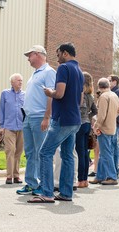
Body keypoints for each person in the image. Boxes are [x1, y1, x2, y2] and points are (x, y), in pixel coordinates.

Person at [28, 42, 83, 203]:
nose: (57, 58)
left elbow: (59, 93)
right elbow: (79, 100)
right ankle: (66, 193)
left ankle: (47, 193)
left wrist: (48, 92)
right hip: (75, 119)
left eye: (58, 54)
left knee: (44, 152)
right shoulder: (79, 72)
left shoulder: (64, 69)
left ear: (65, 53)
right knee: (67, 156)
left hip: (62, 119)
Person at [16, 45, 55, 195]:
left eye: (30, 55)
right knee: (30, 152)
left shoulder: (48, 72)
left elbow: (51, 96)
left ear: (38, 54)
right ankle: (31, 183)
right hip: (29, 118)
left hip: (40, 117)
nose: (28, 59)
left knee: (41, 152)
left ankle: (43, 184)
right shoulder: (34, 74)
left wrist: (46, 117)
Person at [89, 78, 119, 185]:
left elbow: (101, 115)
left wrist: (96, 126)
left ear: (99, 86)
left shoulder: (103, 97)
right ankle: (100, 176)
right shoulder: (114, 95)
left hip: (104, 128)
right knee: (106, 153)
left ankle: (112, 176)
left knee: (106, 153)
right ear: (108, 85)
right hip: (112, 127)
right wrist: (112, 118)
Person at [0, 73, 25, 185]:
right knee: (10, 150)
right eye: (18, 80)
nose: (20, 82)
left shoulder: (25, 94)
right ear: (12, 82)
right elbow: (1, 110)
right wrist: (1, 126)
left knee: (18, 152)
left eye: (21, 80)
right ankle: (9, 176)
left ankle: (16, 175)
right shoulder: (5, 94)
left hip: (22, 127)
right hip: (9, 127)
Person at [75, 72, 97, 188]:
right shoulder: (91, 96)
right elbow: (95, 111)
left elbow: (79, 108)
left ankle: (81, 180)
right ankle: (85, 179)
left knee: (80, 153)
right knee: (84, 153)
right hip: (87, 124)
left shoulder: (81, 95)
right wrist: (88, 117)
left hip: (80, 124)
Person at [108, 75, 119, 176]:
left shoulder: (118, 92)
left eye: (109, 81)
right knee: (112, 146)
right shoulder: (112, 92)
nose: (107, 82)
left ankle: (115, 169)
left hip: (114, 123)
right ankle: (114, 169)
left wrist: (116, 121)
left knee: (113, 146)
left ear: (115, 82)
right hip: (112, 123)